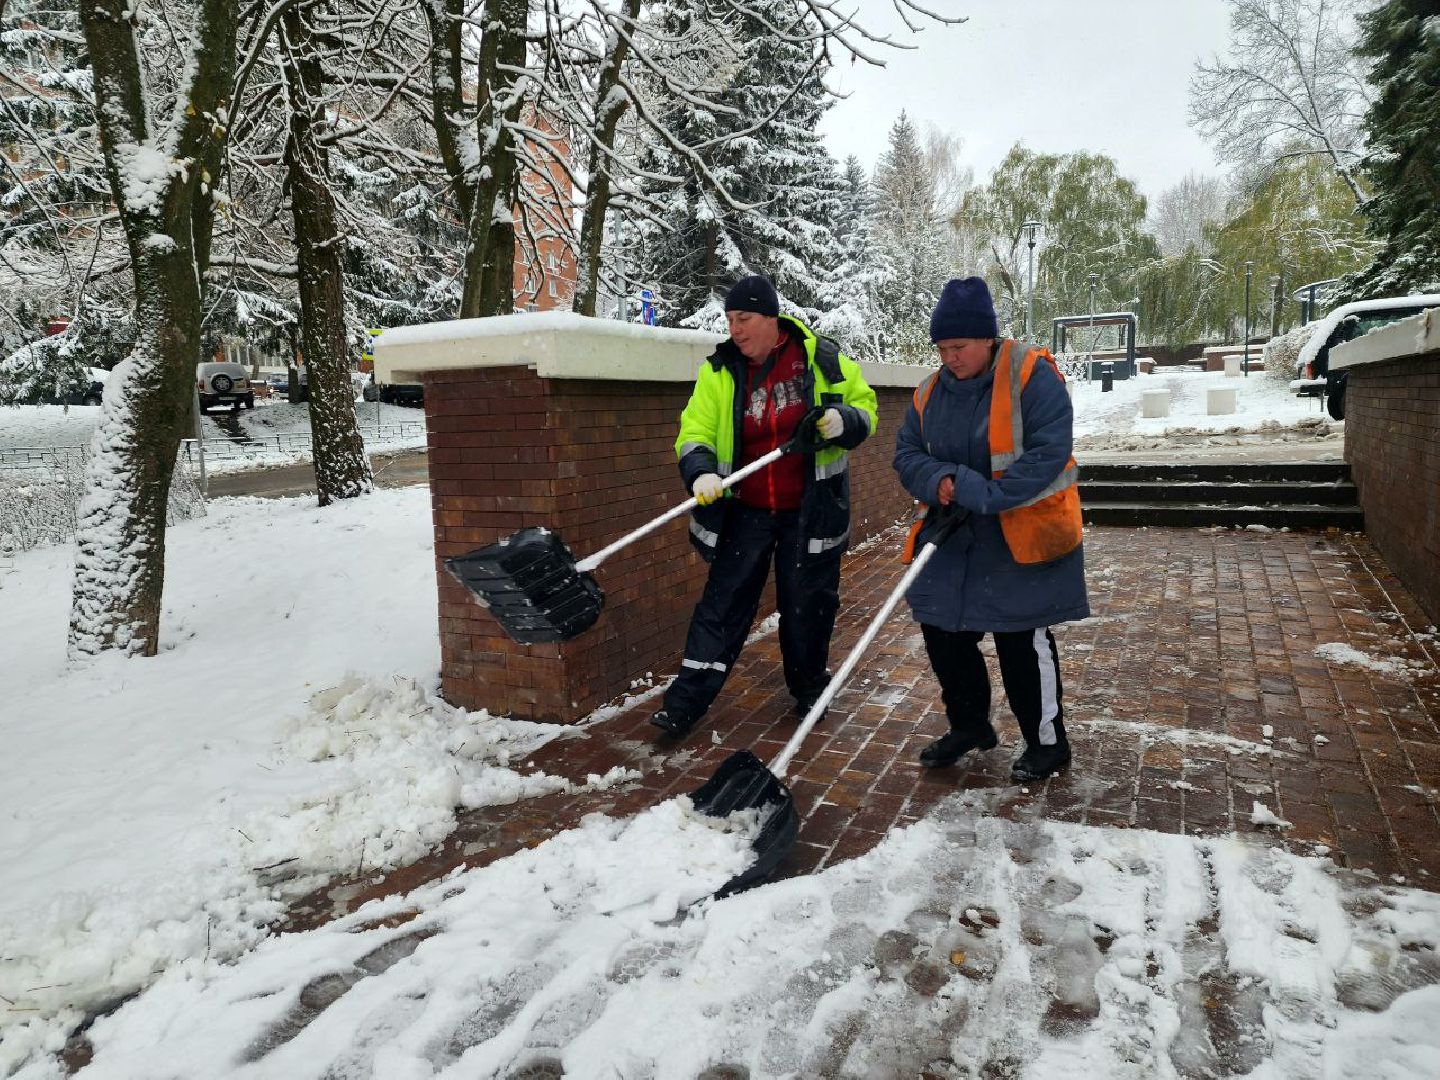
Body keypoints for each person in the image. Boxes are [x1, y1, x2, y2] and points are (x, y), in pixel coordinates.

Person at [651, 274, 879, 738]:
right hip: (746, 511)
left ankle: (809, 689)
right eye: (730, 319)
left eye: (745, 318)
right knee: (722, 607)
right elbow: (693, 429)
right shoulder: (720, 371)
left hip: (809, 510)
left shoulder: (821, 359)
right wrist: (701, 471)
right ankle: (685, 703)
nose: (735, 329)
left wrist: (843, 421)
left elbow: (866, 410)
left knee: (807, 607)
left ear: (771, 319)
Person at [892, 276, 1088, 782]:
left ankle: (1047, 742)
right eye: (941, 348)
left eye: (958, 347)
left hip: (1020, 536)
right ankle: (970, 725)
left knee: (1021, 641)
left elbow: (1048, 451)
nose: (949, 357)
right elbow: (907, 453)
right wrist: (942, 482)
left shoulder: (1031, 376)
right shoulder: (929, 391)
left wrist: (984, 494)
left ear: (987, 338)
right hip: (955, 539)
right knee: (944, 634)